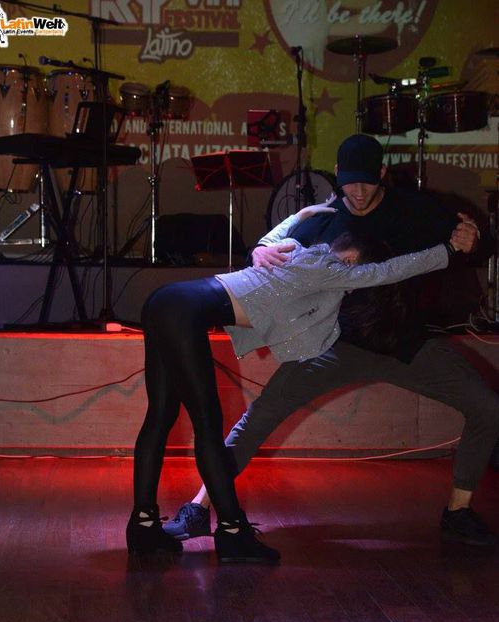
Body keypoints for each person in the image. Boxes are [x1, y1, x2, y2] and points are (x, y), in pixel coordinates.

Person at [163, 134, 499, 548]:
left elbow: (477, 242)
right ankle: (199, 508)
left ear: (382, 174)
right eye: (349, 182)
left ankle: (459, 511)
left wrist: (474, 239)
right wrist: (259, 251)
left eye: (367, 182)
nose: (357, 192)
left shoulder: (416, 209)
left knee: (487, 407)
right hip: (332, 345)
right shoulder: (323, 218)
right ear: (338, 174)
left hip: (406, 344)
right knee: (260, 417)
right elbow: (273, 251)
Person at [129, 227, 465, 564]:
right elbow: (388, 271)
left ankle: (143, 528)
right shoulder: (329, 268)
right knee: (207, 427)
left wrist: (305, 215)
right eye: (356, 278)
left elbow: (285, 230)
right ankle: (232, 533)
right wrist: (448, 251)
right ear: (350, 260)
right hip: (182, 313)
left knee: (160, 416)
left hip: (163, 301)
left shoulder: (299, 254)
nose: (352, 287)